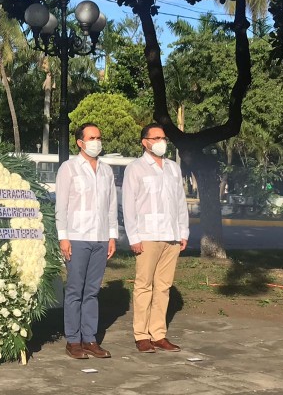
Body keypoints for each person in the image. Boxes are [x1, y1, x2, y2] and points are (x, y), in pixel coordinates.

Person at [122, 123, 189, 353]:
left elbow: (180, 202)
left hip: (170, 236)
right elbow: (129, 206)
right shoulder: (136, 168)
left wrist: (183, 232)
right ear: (145, 142)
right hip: (147, 235)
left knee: (163, 286)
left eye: (164, 138)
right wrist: (134, 237)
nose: (162, 142)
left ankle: (158, 334)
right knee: (144, 286)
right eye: (156, 138)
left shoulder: (173, 168)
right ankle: (141, 335)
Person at [55, 123, 117, 360]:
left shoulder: (106, 171)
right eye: (92, 138)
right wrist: (64, 237)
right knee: (75, 290)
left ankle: (90, 339)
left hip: (100, 237)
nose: (96, 142)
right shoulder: (69, 168)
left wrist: (112, 236)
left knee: (92, 291)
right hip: (77, 237)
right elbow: (61, 205)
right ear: (80, 142)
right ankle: (73, 340)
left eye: (99, 137)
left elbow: (111, 205)